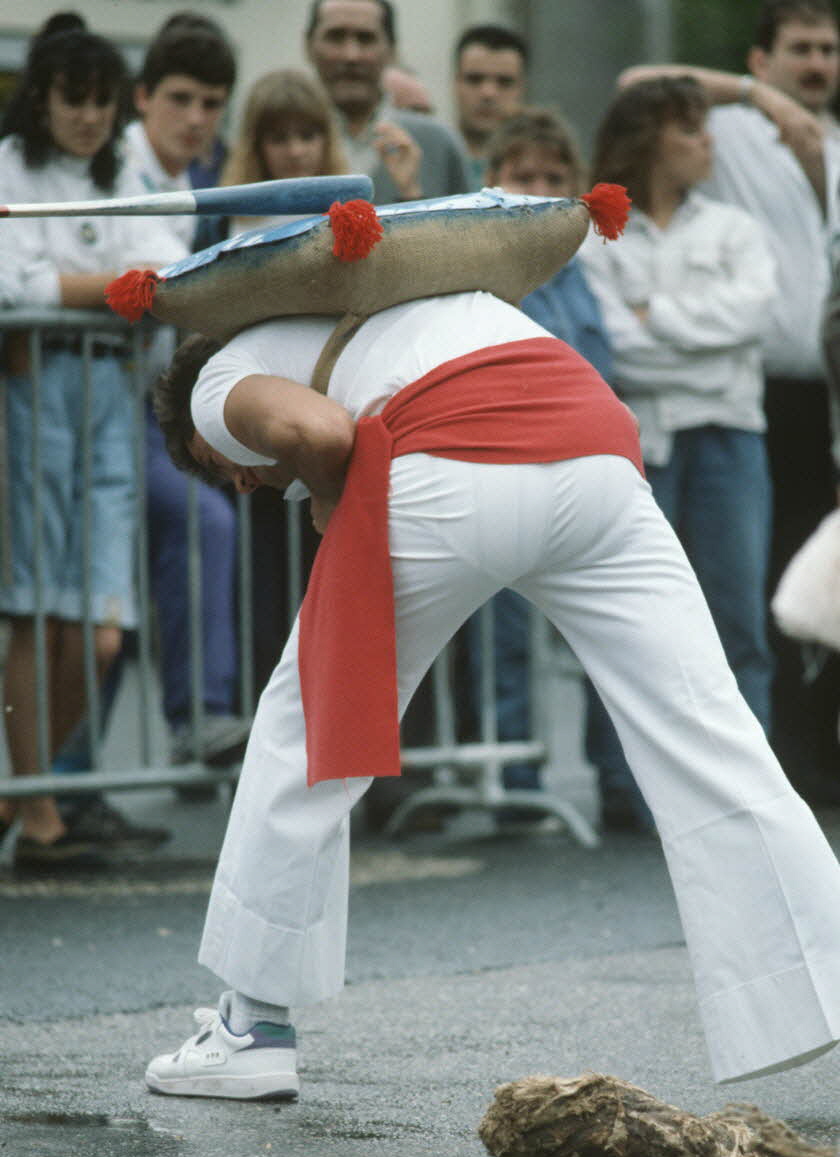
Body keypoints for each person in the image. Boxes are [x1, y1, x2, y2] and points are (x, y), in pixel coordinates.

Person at [143, 280, 840, 1099]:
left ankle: (252, 1030)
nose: (240, 483)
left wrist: (330, 495)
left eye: (217, 467)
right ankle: (822, 994)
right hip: (596, 446)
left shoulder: (218, 383)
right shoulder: (378, 313)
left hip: (458, 460)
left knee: (311, 731)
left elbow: (317, 431)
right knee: (709, 731)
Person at [619, 0, 840, 806]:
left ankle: (812, 759)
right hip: (758, 395)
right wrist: (759, 103)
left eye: (828, 49)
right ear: (762, 59)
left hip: (828, 396)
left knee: (821, 586)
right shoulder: (734, 131)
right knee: (750, 584)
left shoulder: (838, 145)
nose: (817, 64)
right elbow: (638, 80)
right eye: (800, 50)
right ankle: (753, 763)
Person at [0, 24, 184, 867]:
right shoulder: (13, 165)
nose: (88, 116)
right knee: (42, 610)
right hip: (38, 391)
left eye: (102, 101)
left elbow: (165, 271)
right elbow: (17, 286)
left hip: (112, 390)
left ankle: (21, 791)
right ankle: (40, 814)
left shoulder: (125, 174)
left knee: (103, 629)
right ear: (43, 98)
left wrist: (109, 295)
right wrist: (112, 292)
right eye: (73, 99)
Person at [577, 76, 778, 834]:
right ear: (653, 137)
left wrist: (653, 316)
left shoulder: (735, 228)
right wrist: (696, 337)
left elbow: (751, 316)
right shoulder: (598, 230)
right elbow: (611, 348)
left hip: (728, 433)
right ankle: (624, 790)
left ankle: (745, 794)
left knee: (735, 620)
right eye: (691, 129)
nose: (708, 143)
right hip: (638, 437)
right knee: (628, 620)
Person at [467, 107, 613, 817]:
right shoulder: (476, 259)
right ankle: (514, 781)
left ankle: (619, 780)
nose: (541, 189)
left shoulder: (582, 267)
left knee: (602, 628)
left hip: (582, 469)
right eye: (523, 175)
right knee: (505, 634)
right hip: (501, 466)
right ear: (490, 179)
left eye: (557, 178)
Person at [121, 13, 252, 773]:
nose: (197, 119)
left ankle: (66, 789)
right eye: (180, 98)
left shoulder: (186, 179)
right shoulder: (113, 166)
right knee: (203, 525)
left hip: (145, 404)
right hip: (95, 405)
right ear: (142, 97)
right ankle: (199, 716)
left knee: (110, 605)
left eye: (212, 103)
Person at [217, 68, 342, 694]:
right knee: (271, 594)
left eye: (308, 135)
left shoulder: (354, 212)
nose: (296, 151)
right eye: (280, 138)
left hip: (339, 421)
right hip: (269, 433)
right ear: (257, 146)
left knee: (343, 592)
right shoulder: (236, 221)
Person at [305, 0, 470, 202]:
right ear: (308, 46)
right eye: (336, 37)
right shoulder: (274, 142)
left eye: (366, 39)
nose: (351, 55)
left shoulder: (438, 145)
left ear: (392, 50)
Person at [454, 24, 528, 189]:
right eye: (475, 79)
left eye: (504, 82)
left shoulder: (545, 175)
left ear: (522, 88)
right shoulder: (428, 161)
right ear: (455, 83)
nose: (488, 93)